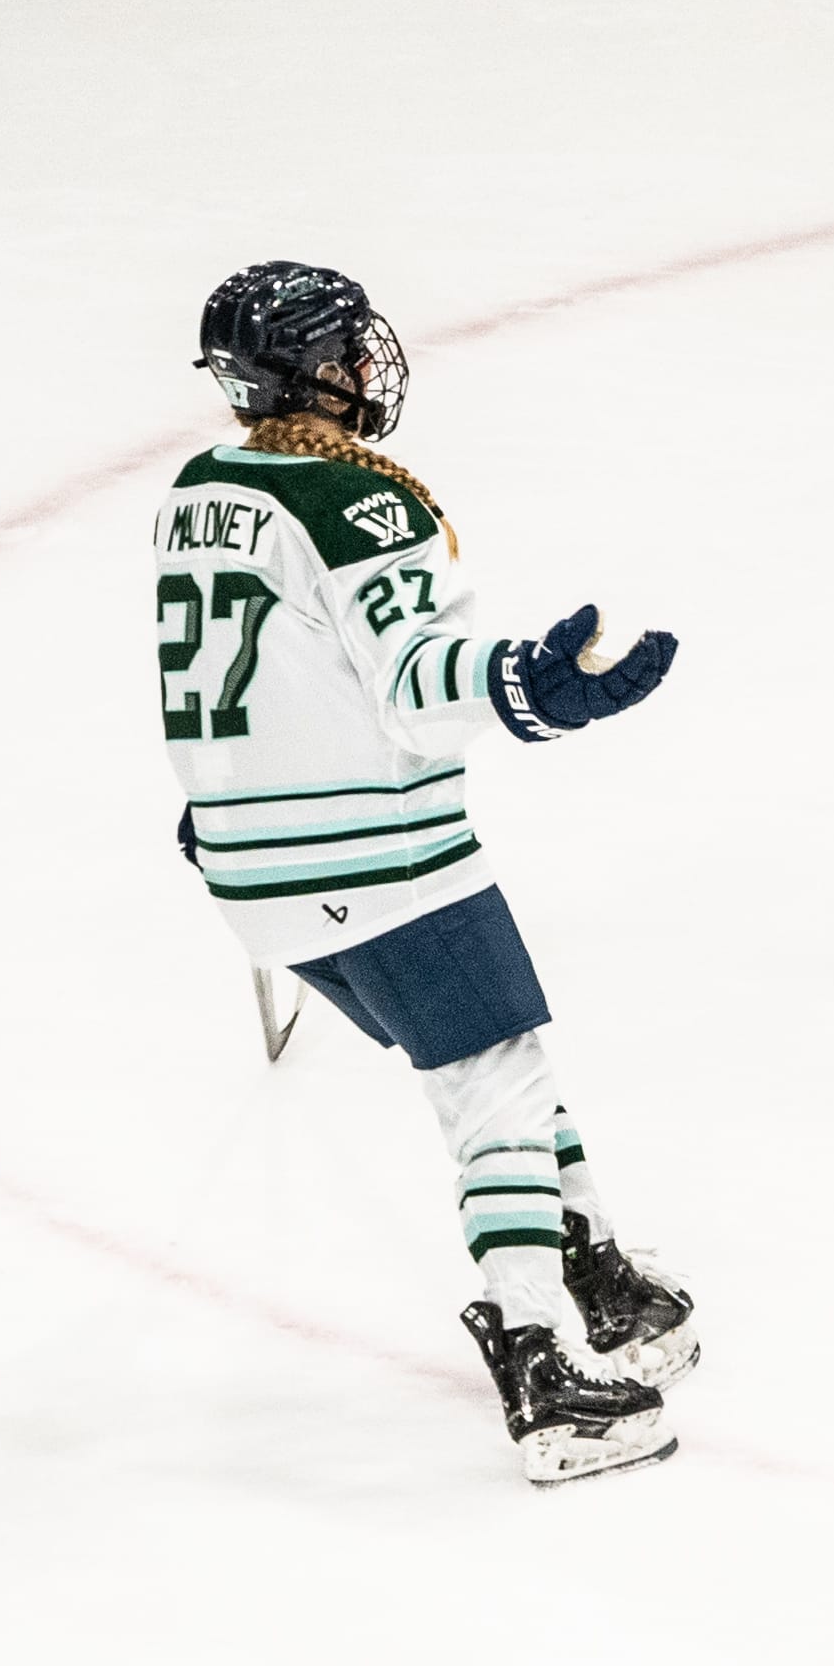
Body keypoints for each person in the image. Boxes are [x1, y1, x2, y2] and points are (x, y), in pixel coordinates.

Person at [156, 260, 695, 1484]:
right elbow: (418, 692)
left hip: (246, 872)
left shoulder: (198, 489)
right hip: (377, 860)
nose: (368, 367)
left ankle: (594, 1264)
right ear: (312, 372)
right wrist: (535, 688)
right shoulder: (358, 504)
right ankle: (541, 1358)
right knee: (494, 1089)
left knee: (493, 1060)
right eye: (349, 350)